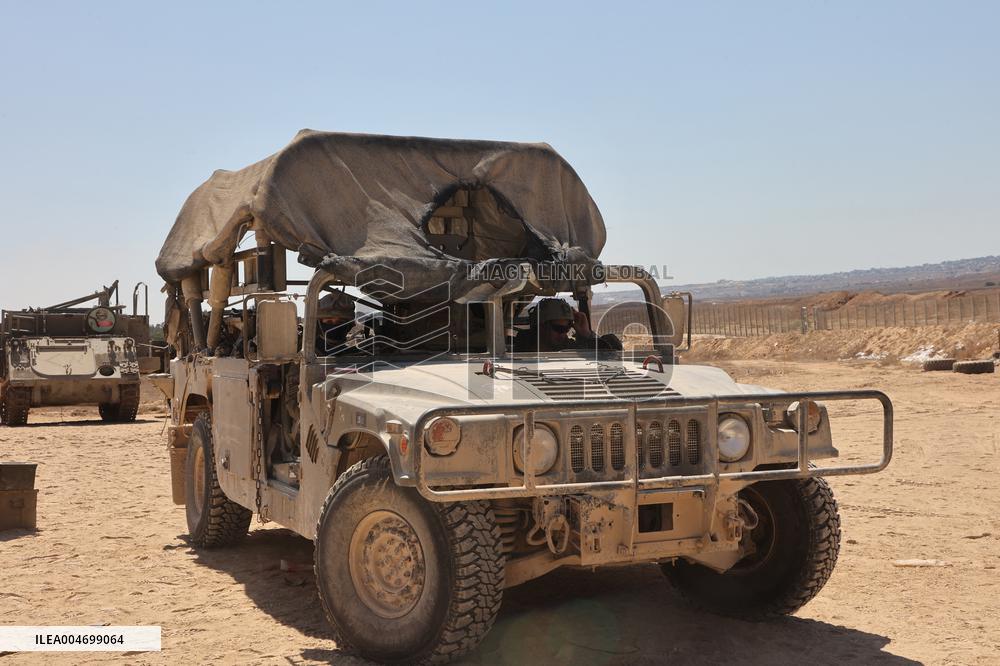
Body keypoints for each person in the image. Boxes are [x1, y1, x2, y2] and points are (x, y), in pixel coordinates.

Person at [513, 298, 621, 352]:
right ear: (541, 326)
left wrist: (586, 334)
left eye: (567, 329)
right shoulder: (519, 351)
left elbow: (610, 355)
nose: (564, 334)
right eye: (559, 329)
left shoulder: (570, 348)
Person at [316, 291, 356, 355]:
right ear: (318, 323)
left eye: (340, 322)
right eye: (329, 321)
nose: (334, 326)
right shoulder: (305, 351)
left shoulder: (354, 354)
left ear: (349, 325)